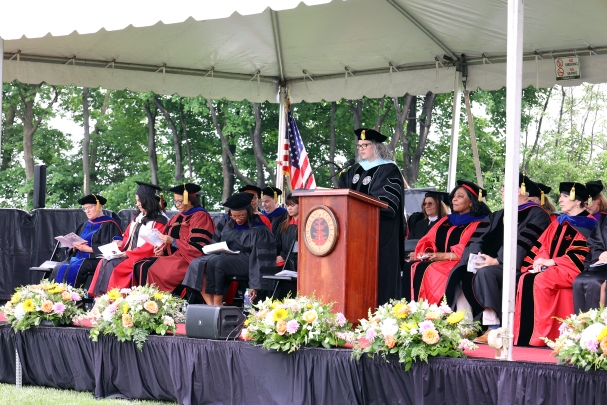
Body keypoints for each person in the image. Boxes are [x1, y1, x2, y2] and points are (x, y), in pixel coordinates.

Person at [466, 174, 551, 343]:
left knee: (486, 273)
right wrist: (474, 258)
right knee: (463, 273)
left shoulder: (537, 214)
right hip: (493, 264)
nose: (501, 190)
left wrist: (497, 260)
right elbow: (477, 239)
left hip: (521, 266)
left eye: (505, 186)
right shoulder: (498, 215)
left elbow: (524, 243)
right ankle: (468, 325)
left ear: (520, 190)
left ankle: (495, 327)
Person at [514, 182, 598, 346]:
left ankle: (542, 335)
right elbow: (542, 245)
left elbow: (582, 254)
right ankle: (523, 335)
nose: (560, 200)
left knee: (541, 280)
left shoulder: (588, 224)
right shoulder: (557, 222)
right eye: (561, 196)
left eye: (565, 196)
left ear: (577, 201)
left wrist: (552, 262)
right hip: (551, 268)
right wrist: (538, 261)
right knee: (524, 277)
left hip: (572, 270)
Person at [337, 128, 405, 306]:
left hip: (380, 236)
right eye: (359, 145)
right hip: (355, 236)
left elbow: (388, 205)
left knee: (379, 283)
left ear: (376, 147)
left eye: (365, 145)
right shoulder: (356, 169)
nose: (361, 148)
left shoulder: (389, 169)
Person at [406, 180, 491, 306]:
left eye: (459, 196)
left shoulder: (480, 222)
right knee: (411, 266)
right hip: (437, 260)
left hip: (459, 263)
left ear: (471, 201)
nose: (454, 200)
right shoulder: (446, 220)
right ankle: (410, 311)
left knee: (432, 269)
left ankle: (434, 313)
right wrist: (426, 253)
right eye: (454, 196)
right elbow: (428, 240)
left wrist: (439, 256)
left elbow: (468, 250)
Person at [183, 192, 277, 306]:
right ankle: (211, 304)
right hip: (226, 256)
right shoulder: (227, 223)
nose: (237, 219)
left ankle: (218, 304)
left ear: (249, 211)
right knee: (196, 263)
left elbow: (260, 259)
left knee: (217, 263)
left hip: (248, 261)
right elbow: (215, 242)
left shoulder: (259, 229)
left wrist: (254, 285)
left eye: (241, 216)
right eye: (234, 216)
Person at [88, 181, 168, 296]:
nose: (138, 204)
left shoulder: (160, 220)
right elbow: (127, 236)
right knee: (104, 261)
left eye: (140, 201)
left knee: (114, 265)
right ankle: (100, 299)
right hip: (130, 254)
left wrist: (128, 253)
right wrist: (121, 243)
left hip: (142, 256)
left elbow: (152, 245)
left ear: (148, 201)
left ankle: (113, 300)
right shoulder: (138, 217)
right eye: (137, 201)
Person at [132, 183, 215, 293]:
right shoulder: (176, 218)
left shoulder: (201, 216)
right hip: (172, 258)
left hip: (188, 261)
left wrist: (173, 241)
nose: (177, 205)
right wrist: (162, 251)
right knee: (140, 265)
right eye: (175, 201)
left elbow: (198, 247)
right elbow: (167, 241)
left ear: (190, 200)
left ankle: (156, 303)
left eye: (180, 201)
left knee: (149, 267)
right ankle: (144, 303)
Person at [51, 194, 123, 287]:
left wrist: (88, 249)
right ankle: (56, 297)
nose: (87, 211)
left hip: (96, 259)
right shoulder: (84, 225)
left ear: (99, 206)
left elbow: (113, 248)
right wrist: (74, 247)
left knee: (74, 267)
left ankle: (73, 298)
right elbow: (74, 245)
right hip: (78, 258)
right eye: (85, 208)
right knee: (59, 267)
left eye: (89, 207)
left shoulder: (110, 224)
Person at [573, 211, 607, 313]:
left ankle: (599, 324)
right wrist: (600, 254)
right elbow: (594, 241)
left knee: (596, 282)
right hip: (603, 265)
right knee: (580, 280)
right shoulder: (604, 219)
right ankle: (581, 325)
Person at [274, 193, 299, 299]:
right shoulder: (283, 224)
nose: (289, 208)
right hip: (284, 262)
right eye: (287, 205)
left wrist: (284, 256)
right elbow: (277, 244)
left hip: (297, 262)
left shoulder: (305, 223)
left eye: (292, 205)